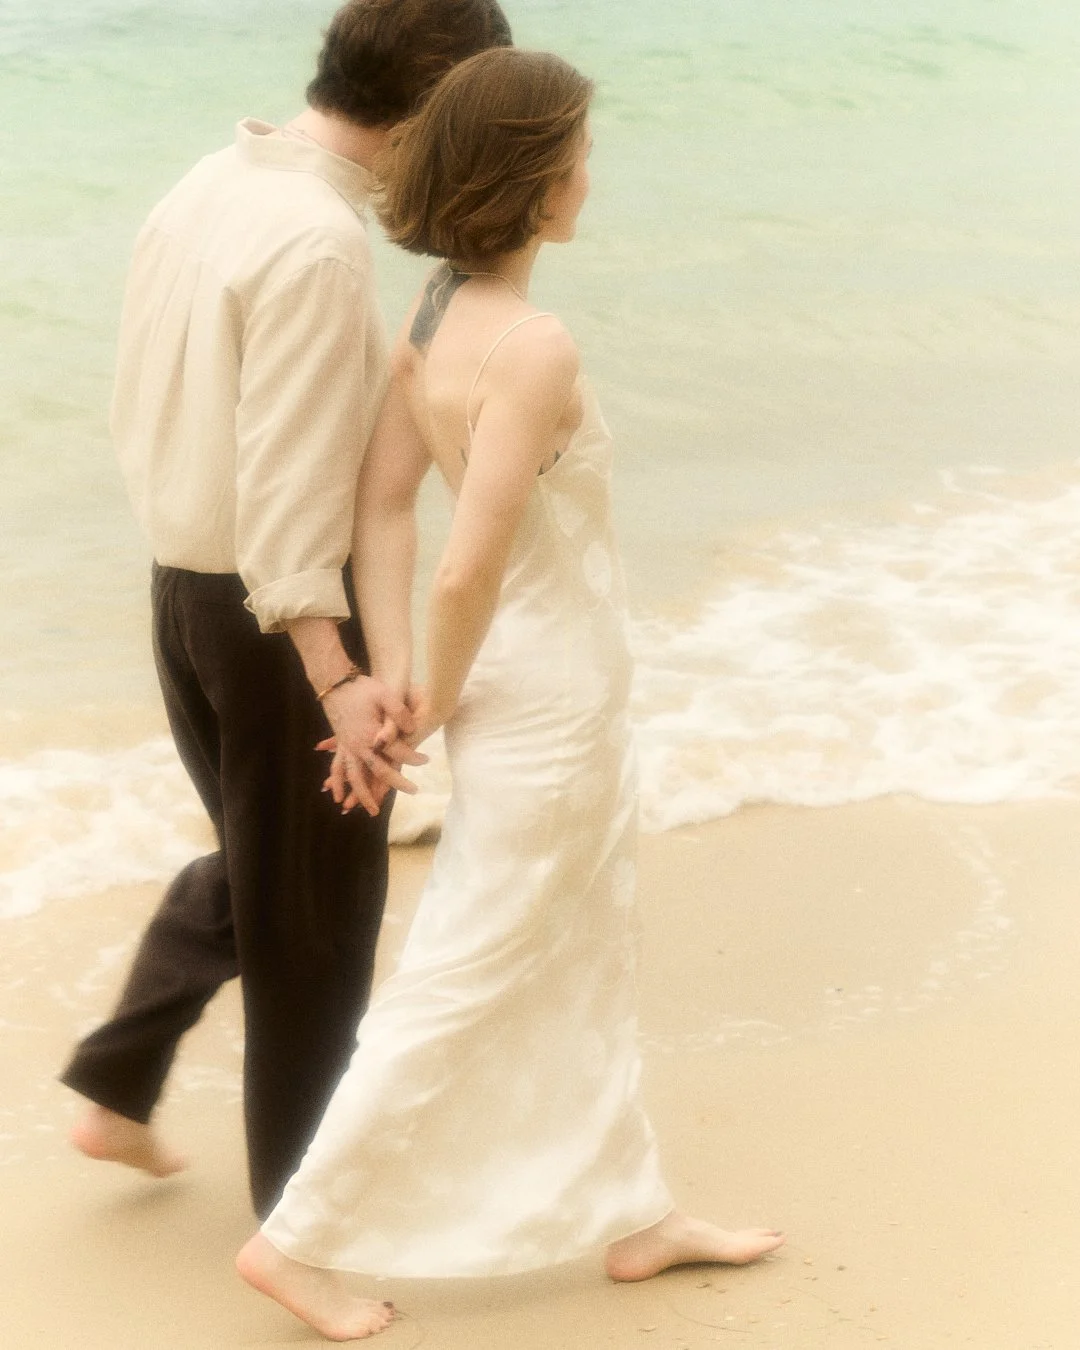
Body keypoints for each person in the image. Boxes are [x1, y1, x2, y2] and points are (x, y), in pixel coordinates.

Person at [234, 47, 784, 1342]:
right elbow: (468, 557)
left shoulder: (430, 312)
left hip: (534, 689)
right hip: (545, 697)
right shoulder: (532, 345)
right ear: (537, 186)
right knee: (466, 968)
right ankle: (294, 1239)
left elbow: (381, 509)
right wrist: (424, 694)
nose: (593, 173)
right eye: (580, 155)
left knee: (593, 937)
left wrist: (388, 678)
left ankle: (631, 1210)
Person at [59, 0, 513, 1223]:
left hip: (182, 590)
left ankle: (115, 1082)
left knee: (270, 868)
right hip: (273, 617)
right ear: (426, 104)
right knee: (316, 924)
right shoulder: (317, 242)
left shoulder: (210, 182)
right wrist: (338, 673)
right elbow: (286, 487)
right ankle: (302, 1225)